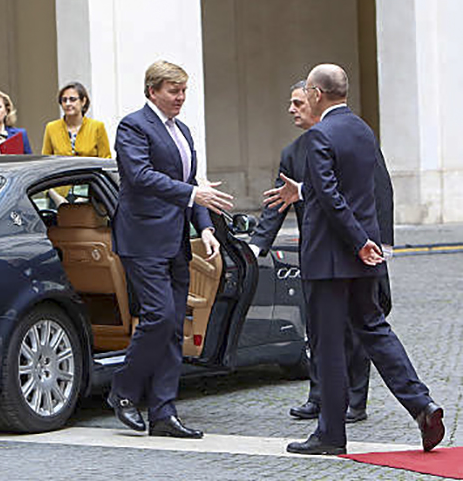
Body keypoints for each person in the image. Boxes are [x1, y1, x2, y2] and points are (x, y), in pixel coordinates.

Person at [271, 64, 443, 455]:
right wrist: (367, 240)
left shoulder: (319, 135)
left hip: (331, 258)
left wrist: (358, 240)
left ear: (316, 93)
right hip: (365, 258)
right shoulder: (363, 131)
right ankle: (422, 404)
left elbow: (333, 199)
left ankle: (331, 435)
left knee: (328, 345)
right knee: (375, 330)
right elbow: (358, 187)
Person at [252, 81, 395, 424]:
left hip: (358, 249)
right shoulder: (293, 152)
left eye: (298, 102)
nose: (292, 109)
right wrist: (257, 245)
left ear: (316, 100)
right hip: (318, 253)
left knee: (357, 328)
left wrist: (383, 246)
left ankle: (355, 401)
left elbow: (380, 191)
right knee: (318, 328)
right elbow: (277, 203)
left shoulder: (355, 139)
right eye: (290, 103)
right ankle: (319, 397)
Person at [107, 60, 233, 439]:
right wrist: (194, 193)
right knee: (159, 317)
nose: (180, 98)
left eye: (183, 91)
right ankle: (123, 390)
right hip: (142, 239)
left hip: (176, 240)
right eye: (173, 91)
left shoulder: (184, 132)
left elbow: (191, 182)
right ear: (153, 92)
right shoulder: (133, 126)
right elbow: (140, 176)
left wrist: (206, 227)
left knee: (174, 326)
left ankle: (164, 412)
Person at [41, 82, 111, 158]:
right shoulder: (51, 128)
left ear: (83, 101)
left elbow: (106, 160)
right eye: (64, 100)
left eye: (72, 99)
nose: (68, 104)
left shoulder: (97, 127)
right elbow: (46, 159)